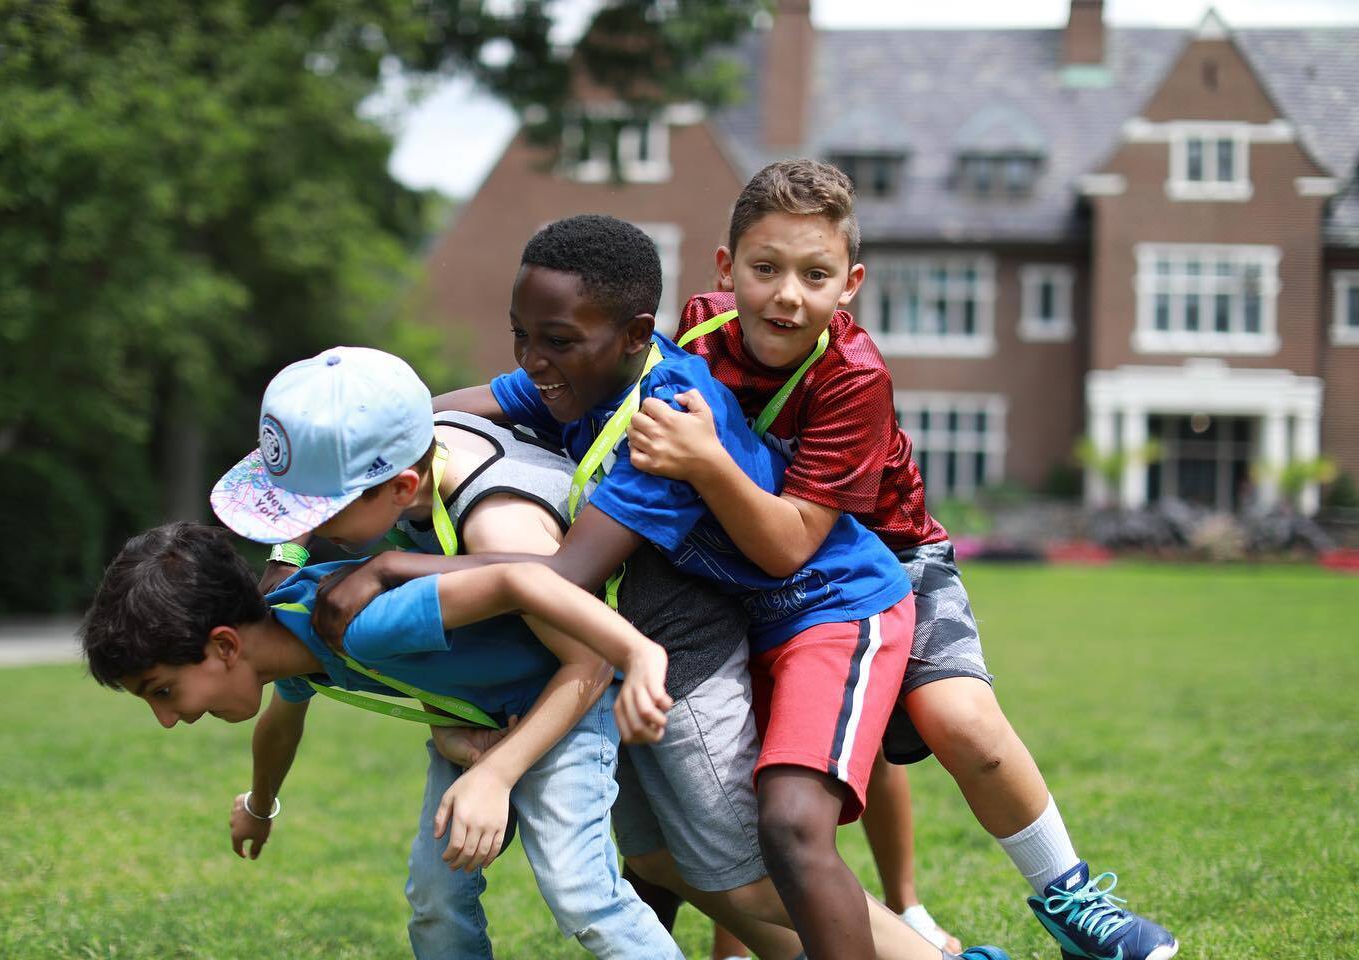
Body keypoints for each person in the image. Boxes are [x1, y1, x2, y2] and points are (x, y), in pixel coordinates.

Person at [328, 214, 1012, 960]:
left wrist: (389, 567)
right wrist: (343, 443)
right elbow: (445, 411)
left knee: (767, 863)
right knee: (677, 863)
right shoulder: (583, 372)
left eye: (554, 340)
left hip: (830, 602)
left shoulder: (663, 419)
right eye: (520, 334)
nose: (531, 360)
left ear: (633, 334)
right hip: (745, 612)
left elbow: (561, 577)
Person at [628, 157, 1179, 960]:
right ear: (725, 269)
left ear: (849, 284)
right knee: (757, 765)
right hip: (757, 573)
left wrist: (705, 459)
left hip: (887, 559)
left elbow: (790, 537)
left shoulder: (854, 376)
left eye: (814, 274)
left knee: (960, 722)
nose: (787, 294)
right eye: (765, 268)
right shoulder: (702, 328)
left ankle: (1071, 899)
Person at [92, 346, 684, 960]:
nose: (166, 718)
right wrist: (261, 805)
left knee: (582, 894)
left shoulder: (361, 623)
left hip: (565, 703)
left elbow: (525, 583)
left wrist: (634, 658)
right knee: (435, 897)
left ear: (224, 645)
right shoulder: (292, 634)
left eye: (163, 690)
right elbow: (280, 723)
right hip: (487, 724)